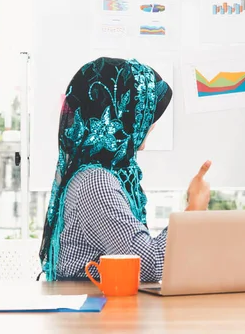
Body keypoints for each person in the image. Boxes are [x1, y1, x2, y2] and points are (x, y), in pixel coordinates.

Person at [39, 57, 211, 282]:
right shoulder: (95, 182)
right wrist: (194, 210)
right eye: (145, 114)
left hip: (105, 309)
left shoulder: (102, 173)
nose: (152, 124)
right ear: (122, 116)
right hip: (92, 313)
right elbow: (146, 265)